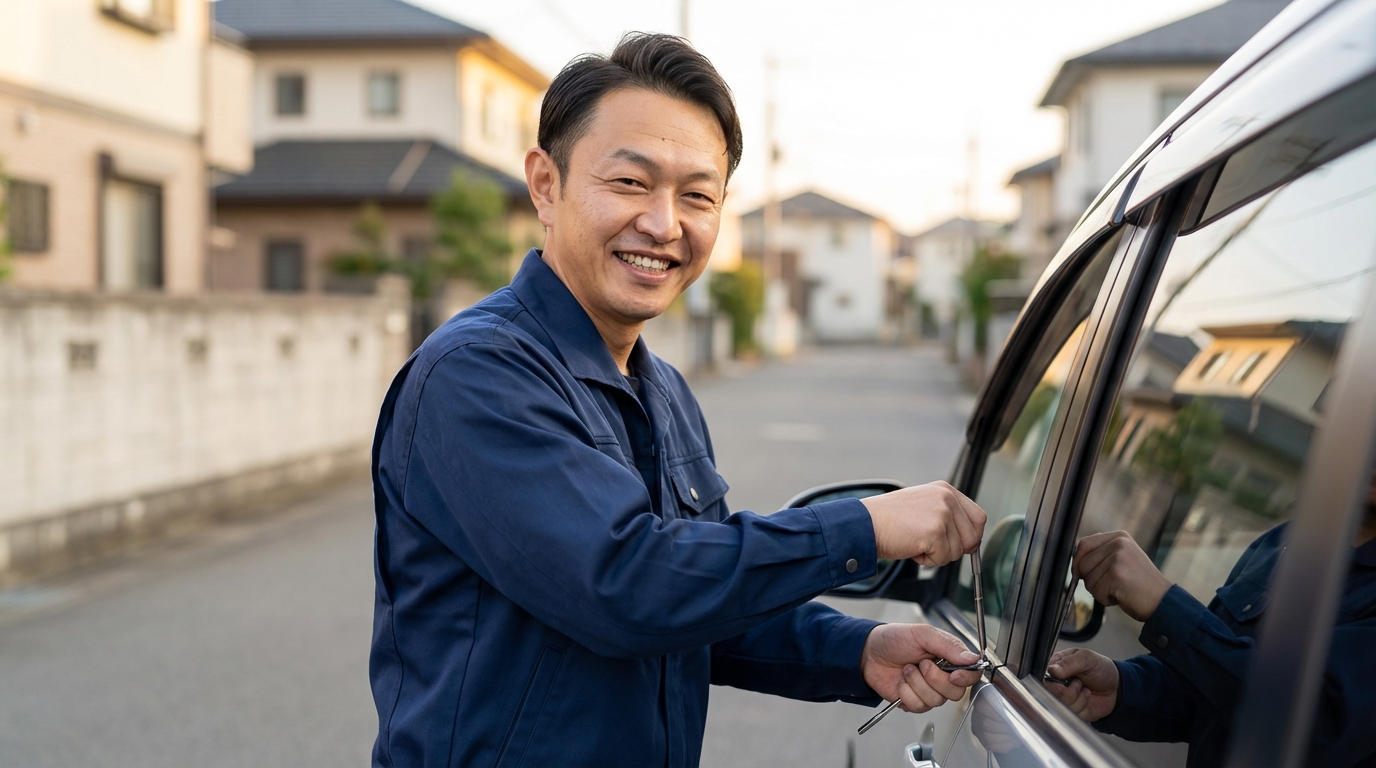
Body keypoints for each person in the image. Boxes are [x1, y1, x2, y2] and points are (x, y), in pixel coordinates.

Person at [368, 33, 988, 768]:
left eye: (697, 195)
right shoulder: (478, 375)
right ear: (545, 183)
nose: (665, 225)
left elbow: (699, 605)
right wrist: (860, 528)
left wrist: (858, 650)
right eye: (630, 183)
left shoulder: (661, 388)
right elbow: (628, 587)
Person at [1046, 489, 1376, 767]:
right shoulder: (1284, 542)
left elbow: (1313, 724)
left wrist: (1164, 604)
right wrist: (1120, 688)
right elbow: (1210, 693)